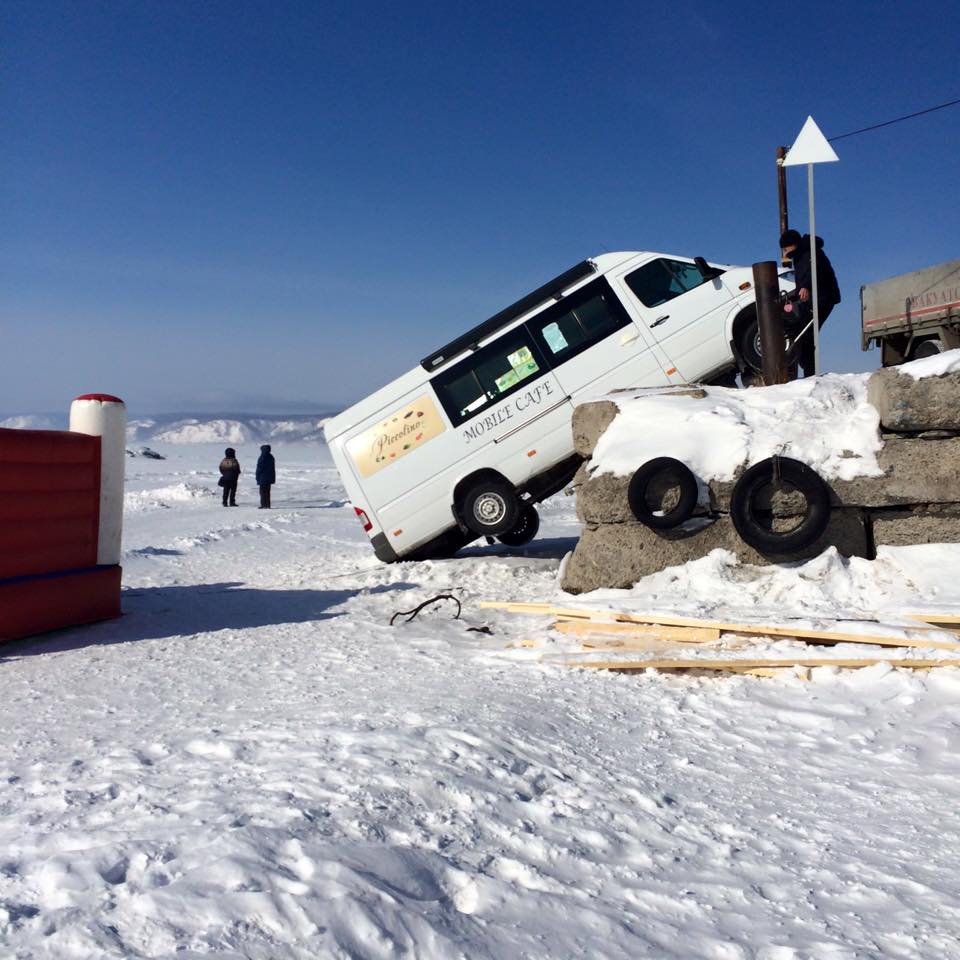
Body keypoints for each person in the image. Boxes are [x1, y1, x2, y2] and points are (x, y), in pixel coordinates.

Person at [780, 228, 841, 377]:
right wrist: (793, 297)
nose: (785, 252)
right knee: (801, 334)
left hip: (823, 299)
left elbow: (817, 270)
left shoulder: (811, 251)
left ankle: (810, 374)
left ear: (792, 244)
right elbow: (801, 280)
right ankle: (808, 370)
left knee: (805, 337)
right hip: (813, 299)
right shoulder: (799, 256)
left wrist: (806, 285)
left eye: (786, 248)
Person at [255, 444, 276, 509]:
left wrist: (257, 476)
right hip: (269, 477)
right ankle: (267, 505)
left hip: (262, 477)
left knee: (263, 492)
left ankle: (264, 505)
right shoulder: (271, 457)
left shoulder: (262, 457)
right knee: (267, 492)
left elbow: (259, 468)